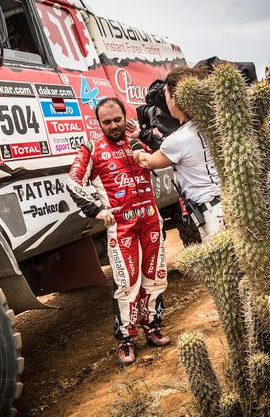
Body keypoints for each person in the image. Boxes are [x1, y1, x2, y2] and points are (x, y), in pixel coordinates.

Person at [67, 97, 170, 366]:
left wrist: (141, 135)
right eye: (107, 122)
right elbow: (72, 182)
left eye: (117, 120)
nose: (113, 126)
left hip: (150, 221)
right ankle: (126, 339)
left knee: (155, 277)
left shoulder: (138, 140)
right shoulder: (91, 148)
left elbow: (170, 151)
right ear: (99, 123)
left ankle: (153, 326)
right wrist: (97, 211)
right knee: (127, 284)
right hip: (121, 227)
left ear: (126, 117)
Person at [133, 68, 224, 243]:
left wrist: (138, 150)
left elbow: (149, 161)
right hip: (229, 204)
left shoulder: (178, 139)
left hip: (211, 214)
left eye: (166, 94)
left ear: (176, 98)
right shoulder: (212, 125)